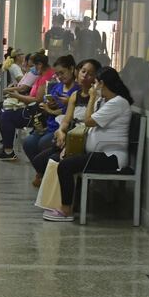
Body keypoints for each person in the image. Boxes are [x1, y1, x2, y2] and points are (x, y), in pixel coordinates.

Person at [41, 67, 133, 222]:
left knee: (66, 166)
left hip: (111, 157)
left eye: (95, 83)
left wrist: (91, 99)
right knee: (59, 159)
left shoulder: (118, 103)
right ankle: (64, 204)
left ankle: (66, 210)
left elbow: (88, 121)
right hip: (99, 153)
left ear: (102, 84)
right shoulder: (106, 101)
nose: (93, 87)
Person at [29, 59, 102, 186]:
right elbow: (66, 119)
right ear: (78, 72)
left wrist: (93, 96)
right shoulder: (75, 95)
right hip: (69, 135)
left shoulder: (98, 97)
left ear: (96, 78)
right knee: (38, 161)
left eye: (90, 74)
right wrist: (62, 131)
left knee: (53, 160)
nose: (85, 76)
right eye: (83, 71)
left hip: (83, 139)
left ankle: (67, 194)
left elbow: (89, 122)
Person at [0, 53, 55, 161]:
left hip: (37, 112)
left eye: (33, 66)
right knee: (1, 112)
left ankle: (8, 151)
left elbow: (37, 100)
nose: (32, 70)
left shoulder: (46, 78)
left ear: (39, 65)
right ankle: (7, 144)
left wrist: (17, 96)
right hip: (32, 105)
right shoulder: (42, 76)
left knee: (6, 115)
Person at [21, 55, 80, 162]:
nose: (60, 77)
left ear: (71, 69)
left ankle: (45, 171)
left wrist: (52, 110)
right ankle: (40, 172)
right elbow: (47, 102)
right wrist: (49, 104)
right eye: (57, 74)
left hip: (63, 127)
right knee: (28, 142)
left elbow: (72, 112)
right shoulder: (57, 86)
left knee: (43, 143)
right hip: (49, 125)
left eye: (62, 73)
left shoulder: (77, 90)